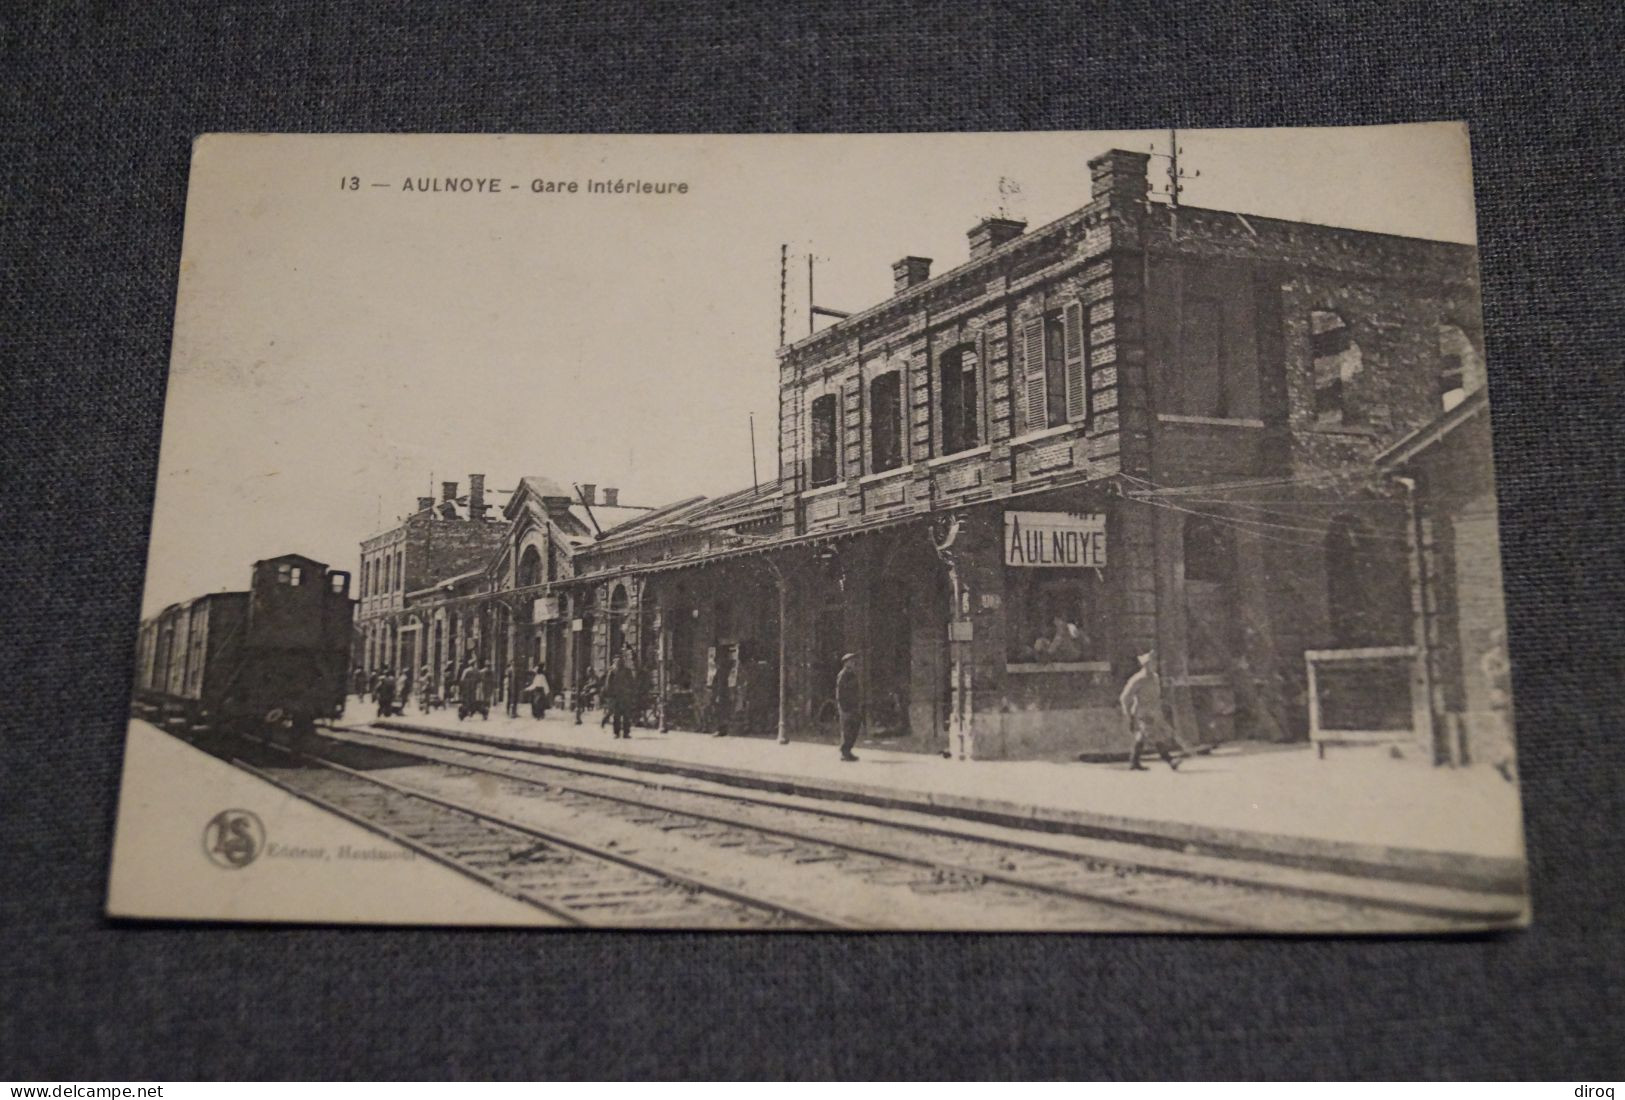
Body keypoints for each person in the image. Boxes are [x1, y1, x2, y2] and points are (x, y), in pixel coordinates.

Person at [1117, 647, 1181, 771]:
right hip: (1142, 712)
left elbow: (1156, 696)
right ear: (1145, 665)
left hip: (1153, 710)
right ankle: (1170, 760)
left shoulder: (1155, 678)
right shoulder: (1138, 679)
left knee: (1142, 736)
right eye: (1150, 663)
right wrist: (1127, 713)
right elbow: (1125, 697)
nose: (1154, 665)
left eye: (1154, 663)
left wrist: (1158, 711)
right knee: (1154, 735)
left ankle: (1134, 762)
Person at [603, 653, 637, 739]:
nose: (619, 663)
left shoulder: (620, 671)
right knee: (619, 716)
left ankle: (622, 733)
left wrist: (631, 692)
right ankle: (620, 733)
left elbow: (632, 683)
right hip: (619, 696)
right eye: (618, 661)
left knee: (622, 716)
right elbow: (608, 685)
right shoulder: (613, 671)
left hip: (622, 696)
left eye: (620, 661)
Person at [835, 651, 861, 762]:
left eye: (854, 660)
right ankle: (845, 753)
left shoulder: (852, 674)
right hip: (846, 706)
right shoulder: (843, 674)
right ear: (845, 663)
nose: (853, 662)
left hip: (853, 705)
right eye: (851, 661)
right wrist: (843, 706)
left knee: (853, 729)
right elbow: (839, 692)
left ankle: (848, 751)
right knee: (847, 730)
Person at [711, 647, 735, 737]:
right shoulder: (724, 671)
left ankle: (721, 729)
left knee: (720, 713)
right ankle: (723, 729)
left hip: (721, 694)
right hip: (723, 694)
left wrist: (717, 695)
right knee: (723, 712)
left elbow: (720, 684)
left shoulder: (720, 672)